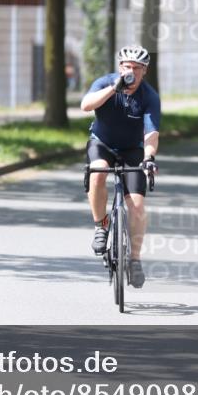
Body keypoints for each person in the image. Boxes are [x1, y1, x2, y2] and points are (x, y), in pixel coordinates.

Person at [79, 45, 160, 289]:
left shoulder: (149, 96)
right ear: (120, 67)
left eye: (137, 68)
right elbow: (86, 106)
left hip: (132, 149)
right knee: (98, 173)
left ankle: (134, 259)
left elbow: (151, 133)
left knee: (136, 204)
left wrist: (149, 158)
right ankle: (101, 226)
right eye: (127, 67)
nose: (131, 72)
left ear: (145, 70)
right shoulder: (105, 82)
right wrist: (113, 89)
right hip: (102, 143)